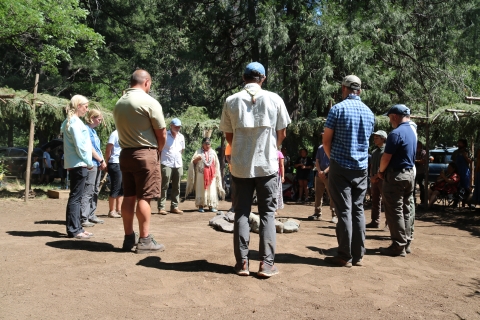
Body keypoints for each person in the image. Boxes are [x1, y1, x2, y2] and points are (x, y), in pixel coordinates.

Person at [220, 61, 291, 278]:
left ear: (243, 78)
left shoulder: (231, 101)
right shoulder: (275, 99)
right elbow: (283, 133)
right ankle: (266, 265)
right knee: (267, 213)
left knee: (241, 212)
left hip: (240, 166)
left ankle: (242, 264)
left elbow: (229, 136)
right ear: (263, 79)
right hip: (267, 165)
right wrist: (272, 149)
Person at [322, 74, 374, 267]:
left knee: (344, 210)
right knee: (358, 210)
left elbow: (326, 141)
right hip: (361, 168)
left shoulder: (337, 109)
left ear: (344, 89)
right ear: (359, 90)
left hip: (340, 166)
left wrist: (332, 158)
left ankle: (344, 255)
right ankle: (358, 255)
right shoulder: (369, 112)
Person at [113, 69, 167, 254]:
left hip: (126, 154)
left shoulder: (119, 103)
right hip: (145, 155)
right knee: (145, 197)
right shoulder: (149, 102)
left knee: (129, 196)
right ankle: (145, 240)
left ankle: (129, 238)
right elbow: (162, 132)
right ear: (147, 82)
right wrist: (158, 150)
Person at [373, 104, 416, 257]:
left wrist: (380, 172)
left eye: (390, 117)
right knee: (406, 209)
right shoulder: (412, 131)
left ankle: (398, 246)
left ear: (395, 116)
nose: (390, 120)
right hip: (409, 175)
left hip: (396, 176)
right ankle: (406, 242)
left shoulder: (396, 133)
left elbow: (386, 157)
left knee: (394, 211)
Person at [61, 95, 94, 239]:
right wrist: (89, 161)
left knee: (77, 197)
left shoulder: (71, 122)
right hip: (80, 164)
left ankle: (77, 228)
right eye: (85, 106)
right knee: (75, 198)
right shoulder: (74, 123)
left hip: (76, 164)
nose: (87, 110)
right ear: (78, 106)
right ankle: (74, 230)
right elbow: (79, 146)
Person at [80, 109, 106, 227]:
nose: (100, 122)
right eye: (99, 119)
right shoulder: (86, 130)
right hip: (91, 164)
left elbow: (97, 149)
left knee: (95, 190)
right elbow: (90, 149)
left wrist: (102, 161)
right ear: (92, 118)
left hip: (97, 164)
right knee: (88, 190)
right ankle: (83, 217)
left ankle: (91, 214)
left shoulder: (94, 132)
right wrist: (101, 160)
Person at [186, 137, 225, 212]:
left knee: (212, 190)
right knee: (201, 190)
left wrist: (216, 174)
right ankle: (201, 205)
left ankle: (211, 205)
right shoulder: (198, 152)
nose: (208, 145)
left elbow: (216, 164)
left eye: (209, 144)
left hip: (211, 175)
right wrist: (197, 159)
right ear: (202, 144)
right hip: (201, 174)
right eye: (206, 144)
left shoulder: (213, 152)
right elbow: (193, 163)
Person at [158, 118, 185, 215]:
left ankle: (175, 206)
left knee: (176, 186)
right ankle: (161, 207)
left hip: (178, 164)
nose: (178, 128)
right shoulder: (165, 135)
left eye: (179, 126)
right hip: (166, 163)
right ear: (171, 126)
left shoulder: (181, 137)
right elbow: (159, 149)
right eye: (176, 126)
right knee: (164, 185)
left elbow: (182, 150)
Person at [309, 133, 337, 223]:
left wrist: (324, 172)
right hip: (319, 175)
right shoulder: (320, 148)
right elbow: (317, 160)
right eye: (322, 136)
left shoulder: (334, 148)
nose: (322, 137)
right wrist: (319, 171)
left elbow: (334, 162)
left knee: (332, 195)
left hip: (330, 176)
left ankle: (335, 215)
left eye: (324, 136)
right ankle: (317, 213)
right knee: (318, 194)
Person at [366, 130, 387, 228]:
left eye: (377, 138)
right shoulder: (374, 152)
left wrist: (377, 176)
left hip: (383, 179)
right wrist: (371, 177)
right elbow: (372, 165)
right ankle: (375, 221)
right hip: (374, 179)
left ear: (383, 139)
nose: (374, 139)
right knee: (375, 201)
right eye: (374, 138)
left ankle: (389, 222)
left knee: (387, 201)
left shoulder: (386, 151)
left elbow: (384, 165)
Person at [105, 129, 123, 218]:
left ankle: (119, 209)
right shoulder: (115, 134)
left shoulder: (126, 133)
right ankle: (111, 211)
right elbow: (108, 149)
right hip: (115, 163)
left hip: (123, 163)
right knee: (116, 187)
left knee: (121, 188)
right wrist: (106, 163)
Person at [451, 139, 472, 207]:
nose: (459, 144)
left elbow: (470, 161)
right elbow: (453, 162)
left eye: (460, 143)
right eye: (458, 143)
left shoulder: (467, 151)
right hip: (457, 171)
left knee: (466, 187)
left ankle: (468, 202)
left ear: (464, 144)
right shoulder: (455, 152)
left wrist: (465, 156)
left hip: (465, 171)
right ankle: (455, 202)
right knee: (456, 187)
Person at [414, 141, 428, 206]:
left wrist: (416, 161)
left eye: (419, 145)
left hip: (421, 172)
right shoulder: (413, 152)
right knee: (413, 187)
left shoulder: (423, 152)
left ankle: (423, 201)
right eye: (417, 145)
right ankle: (413, 201)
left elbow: (423, 161)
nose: (418, 146)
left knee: (422, 187)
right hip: (414, 172)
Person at [276, 148, 285, 214]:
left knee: (276, 192)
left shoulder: (279, 153)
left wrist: (282, 176)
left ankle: (275, 209)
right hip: (271, 174)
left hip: (277, 175)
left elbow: (282, 165)